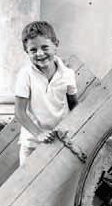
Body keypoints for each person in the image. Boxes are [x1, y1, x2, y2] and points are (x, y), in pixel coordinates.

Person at [14, 21, 78, 165]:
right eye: (33, 50)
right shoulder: (25, 75)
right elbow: (19, 112)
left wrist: (71, 129)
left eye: (45, 47)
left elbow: (74, 105)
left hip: (60, 142)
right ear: (26, 51)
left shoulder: (67, 74)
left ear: (56, 44)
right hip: (32, 144)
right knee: (27, 178)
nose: (40, 53)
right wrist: (39, 134)